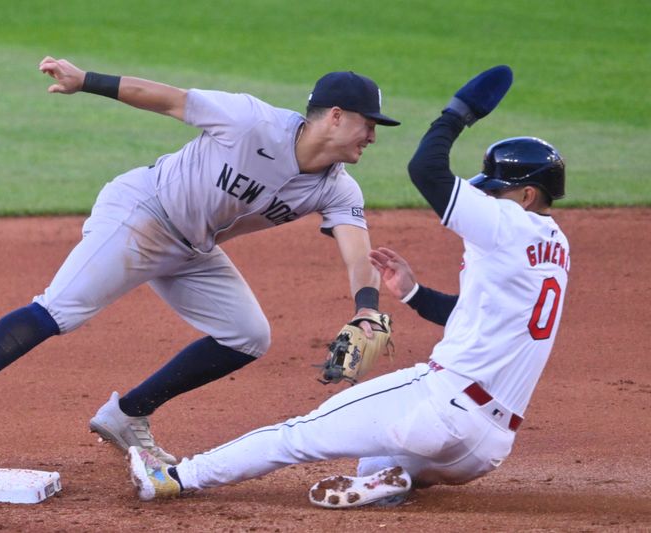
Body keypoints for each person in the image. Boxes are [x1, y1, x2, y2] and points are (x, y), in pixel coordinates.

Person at [0, 57, 403, 466]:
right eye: (368, 124)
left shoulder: (338, 187)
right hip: (142, 213)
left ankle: (128, 414)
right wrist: (86, 82)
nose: (373, 137)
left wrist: (365, 307)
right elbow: (169, 99)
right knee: (61, 310)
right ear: (335, 116)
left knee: (248, 336)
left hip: (194, 247)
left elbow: (357, 251)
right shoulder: (252, 121)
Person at [127, 65, 571, 509]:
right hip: (484, 449)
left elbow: (427, 169)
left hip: (441, 409)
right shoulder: (557, 249)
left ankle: (174, 477)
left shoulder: (509, 223)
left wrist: (459, 113)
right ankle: (391, 481)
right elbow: (477, 314)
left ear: (527, 196)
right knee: (373, 461)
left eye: (495, 192)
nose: (486, 200)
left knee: (298, 435)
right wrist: (415, 294)